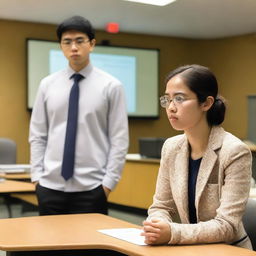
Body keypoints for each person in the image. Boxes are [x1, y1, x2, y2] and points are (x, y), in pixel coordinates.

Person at [141, 64, 252, 249]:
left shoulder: (234, 151)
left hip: (228, 250)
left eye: (179, 98)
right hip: (189, 247)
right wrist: (156, 225)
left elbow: (228, 226)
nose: (171, 108)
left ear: (206, 103)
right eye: (167, 99)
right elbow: (161, 206)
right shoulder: (171, 147)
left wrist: (173, 232)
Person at [29, 16, 129, 215]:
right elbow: (38, 135)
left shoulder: (111, 86)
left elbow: (119, 139)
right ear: (61, 46)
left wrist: (108, 184)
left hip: (92, 189)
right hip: (50, 187)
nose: (73, 47)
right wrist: (37, 178)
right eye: (67, 42)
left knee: (89, 247)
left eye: (80, 41)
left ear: (91, 44)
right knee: (49, 245)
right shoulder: (47, 85)